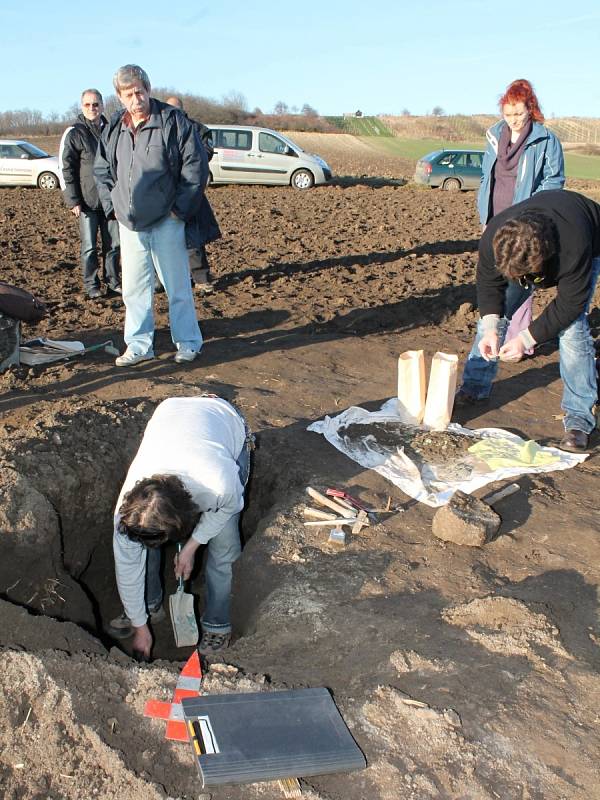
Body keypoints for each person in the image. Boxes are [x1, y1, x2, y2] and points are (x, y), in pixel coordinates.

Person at [109, 396, 252, 658]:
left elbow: (228, 509)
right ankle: (148, 607)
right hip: (171, 411)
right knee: (143, 543)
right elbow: (128, 568)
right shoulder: (127, 513)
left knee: (224, 547)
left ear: (183, 520)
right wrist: (141, 627)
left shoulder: (218, 484)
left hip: (223, 419)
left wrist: (191, 546)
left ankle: (217, 624)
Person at [458, 189, 600, 453]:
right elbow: (489, 285)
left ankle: (579, 418)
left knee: (572, 329)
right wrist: (491, 327)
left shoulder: (573, 246)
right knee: (494, 317)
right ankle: (474, 387)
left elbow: (569, 305)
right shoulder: (495, 237)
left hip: (590, 236)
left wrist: (526, 339)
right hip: (531, 251)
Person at [94, 65, 208, 366]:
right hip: (130, 223)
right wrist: (115, 207)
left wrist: (178, 210)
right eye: (129, 95)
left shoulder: (173, 122)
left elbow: (195, 168)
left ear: (148, 89)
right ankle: (139, 344)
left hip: (167, 220)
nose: (136, 99)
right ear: (120, 97)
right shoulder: (114, 129)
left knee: (177, 286)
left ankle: (188, 342)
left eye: (140, 92)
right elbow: (102, 170)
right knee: (133, 288)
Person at [475, 78, 565, 356]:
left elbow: (554, 181)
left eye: (519, 113)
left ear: (531, 109)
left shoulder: (545, 140)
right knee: (495, 273)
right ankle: (497, 335)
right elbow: (486, 174)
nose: (513, 119)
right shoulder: (494, 135)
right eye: (508, 113)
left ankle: (520, 341)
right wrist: (484, 209)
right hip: (493, 217)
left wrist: (531, 209)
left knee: (521, 277)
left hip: (525, 219)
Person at [59, 89, 121, 300]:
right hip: (87, 201)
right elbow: (66, 167)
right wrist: (73, 199)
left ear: (102, 105)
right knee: (89, 247)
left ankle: (113, 281)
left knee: (113, 244)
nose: (92, 108)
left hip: (111, 200)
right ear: (81, 107)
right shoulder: (74, 133)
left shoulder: (112, 130)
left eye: (95, 104)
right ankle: (91, 285)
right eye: (87, 105)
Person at [166, 96, 221, 294]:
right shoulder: (161, 129)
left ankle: (202, 278)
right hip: (165, 192)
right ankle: (171, 280)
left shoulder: (197, 129)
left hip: (189, 191)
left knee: (192, 238)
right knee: (166, 239)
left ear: (182, 111)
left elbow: (204, 154)